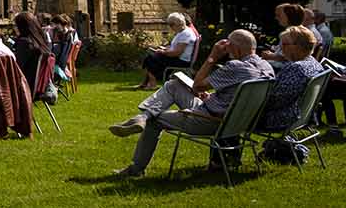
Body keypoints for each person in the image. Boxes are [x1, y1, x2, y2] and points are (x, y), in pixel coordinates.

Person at [109, 30, 273, 177]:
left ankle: (136, 168)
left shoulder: (236, 66)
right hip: (233, 120)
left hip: (211, 120)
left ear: (236, 48)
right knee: (174, 85)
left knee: (155, 120)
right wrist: (214, 98)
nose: (226, 49)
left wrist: (212, 57)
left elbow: (197, 85)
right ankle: (142, 116)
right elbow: (235, 93)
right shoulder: (266, 67)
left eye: (228, 46)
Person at [258, 26, 325, 131]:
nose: (281, 49)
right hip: (303, 115)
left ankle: (229, 144)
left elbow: (277, 99)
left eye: (284, 45)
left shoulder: (297, 68)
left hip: (282, 118)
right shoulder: (314, 63)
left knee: (233, 115)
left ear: (298, 47)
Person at [137, 13, 197, 90]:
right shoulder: (182, 32)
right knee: (150, 56)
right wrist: (164, 49)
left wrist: (163, 52)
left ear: (177, 24)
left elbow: (177, 53)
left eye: (171, 25)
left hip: (181, 61)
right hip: (177, 58)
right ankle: (146, 82)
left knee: (150, 58)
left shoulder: (186, 34)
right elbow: (174, 48)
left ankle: (152, 83)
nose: (170, 27)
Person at [11, 12, 51, 96]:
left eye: (15, 25)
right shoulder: (40, 40)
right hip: (38, 86)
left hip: (25, 87)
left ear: (21, 27)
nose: (14, 28)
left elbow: (17, 68)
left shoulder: (24, 43)